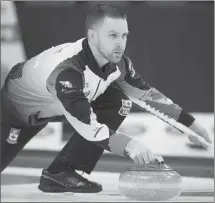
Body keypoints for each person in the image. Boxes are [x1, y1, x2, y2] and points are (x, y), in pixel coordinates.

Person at [1, 3, 212, 193]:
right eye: (113, 35)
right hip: (14, 111)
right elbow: (87, 125)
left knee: (120, 102)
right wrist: (130, 145)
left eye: (124, 35)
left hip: (55, 106)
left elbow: (149, 97)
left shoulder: (118, 64)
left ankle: (61, 173)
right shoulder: (67, 72)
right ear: (92, 36)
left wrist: (192, 126)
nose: (121, 43)